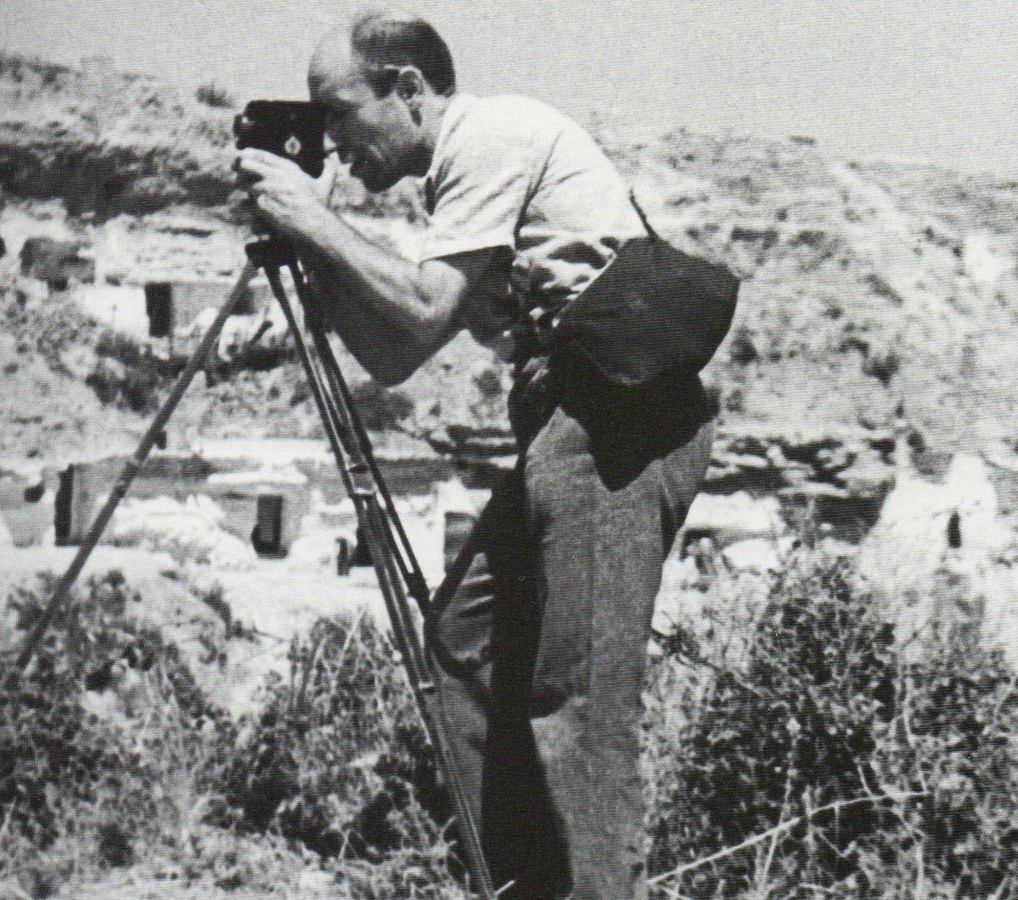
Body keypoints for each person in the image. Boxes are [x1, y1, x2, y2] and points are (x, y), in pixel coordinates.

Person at [237, 12, 715, 898]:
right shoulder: (455, 180)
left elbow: (420, 309)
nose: (335, 147)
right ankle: (524, 885)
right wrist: (311, 254)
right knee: (463, 644)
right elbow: (394, 356)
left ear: (408, 91)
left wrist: (315, 221)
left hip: (617, 424)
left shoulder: (489, 136)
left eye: (339, 114)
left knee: (582, 704)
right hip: (568, 428)